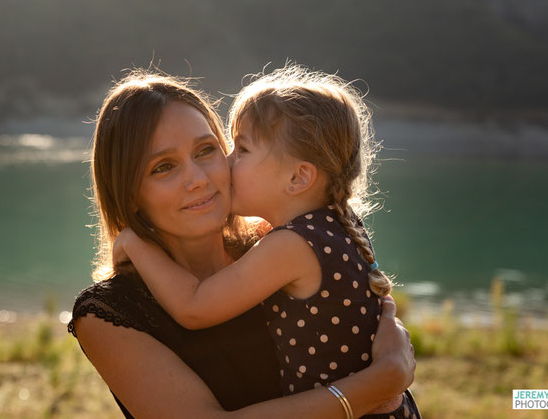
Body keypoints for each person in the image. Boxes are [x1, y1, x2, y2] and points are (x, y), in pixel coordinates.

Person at [68, 70, 416, 418]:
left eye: (207, 150)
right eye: (164, 167)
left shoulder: (273, 247)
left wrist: (133, 241)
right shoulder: (109, 314)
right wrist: (379, 382)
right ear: (128, 194)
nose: (198, 179)